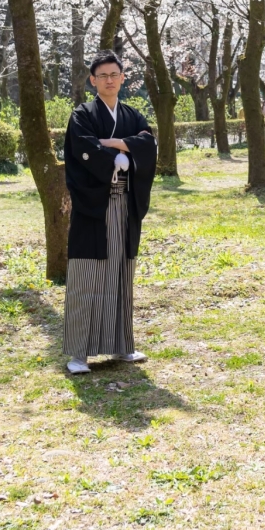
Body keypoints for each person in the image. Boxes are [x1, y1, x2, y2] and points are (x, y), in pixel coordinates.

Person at [62, 50, 157, 376]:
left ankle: (122, 345)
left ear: (122, 78)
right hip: (94, 205)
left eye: (114, 74)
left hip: (125, 204)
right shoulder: (82, 114)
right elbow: (83, 147)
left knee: (120, 273)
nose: (109, 80)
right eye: (102, 75)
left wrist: (114, 144)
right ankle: (78, 353)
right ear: (93, 80)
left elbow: (148, 143)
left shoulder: (132, 114)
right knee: (86, 275)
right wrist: (119, 156)